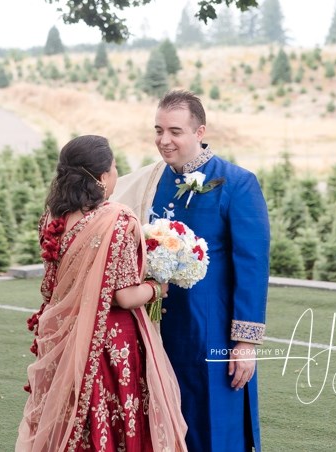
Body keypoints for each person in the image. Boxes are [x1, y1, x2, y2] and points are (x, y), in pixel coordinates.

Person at [113, 91, 270, 452]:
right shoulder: (151, 183)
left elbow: (253, 266)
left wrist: (245, 342)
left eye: (175, 131)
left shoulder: (238, 183)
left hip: (212, 333)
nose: (164, 140)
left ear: (200, 130)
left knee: (214, 425)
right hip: (156, 329)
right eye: (158, 130)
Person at [16, 134, 188, 452]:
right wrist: (156, 288)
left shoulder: (52, 218)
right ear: (101, 177)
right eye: (114, 167)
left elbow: (53, 285)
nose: (117, 173)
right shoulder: (115, 220)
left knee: (72, 425)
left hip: (66, 335)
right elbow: (123, 296)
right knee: (114, 421)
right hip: (109, 342)